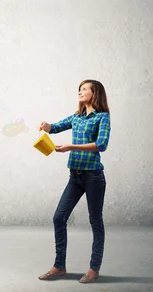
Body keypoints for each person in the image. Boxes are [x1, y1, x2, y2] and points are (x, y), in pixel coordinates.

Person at [37, 79, 111, 284]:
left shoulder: (102, 117)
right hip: (75, 176)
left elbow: (101, 144)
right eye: (79, 89)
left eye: (84, 89)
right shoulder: (77, 117)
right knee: (59, 218)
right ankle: (59, 266)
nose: (80, 92)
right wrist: (45, 125)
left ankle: (94, 269)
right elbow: (55, 127)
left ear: (95, 93)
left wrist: (71, 147)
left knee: (95, 221)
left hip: (93, 176)